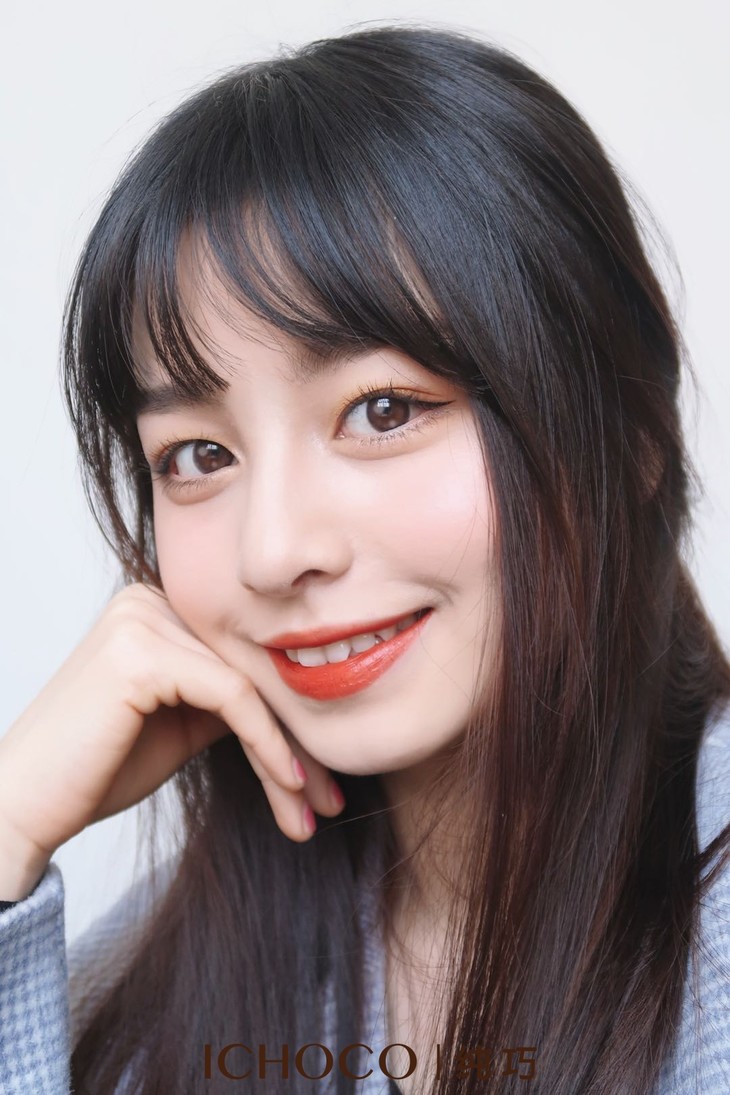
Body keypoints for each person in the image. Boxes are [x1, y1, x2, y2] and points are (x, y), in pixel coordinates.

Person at [0, 22, 728, 1095]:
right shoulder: (157, 978)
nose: (274, 550)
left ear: (630, 434)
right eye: (198, 455)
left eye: (383, 410)